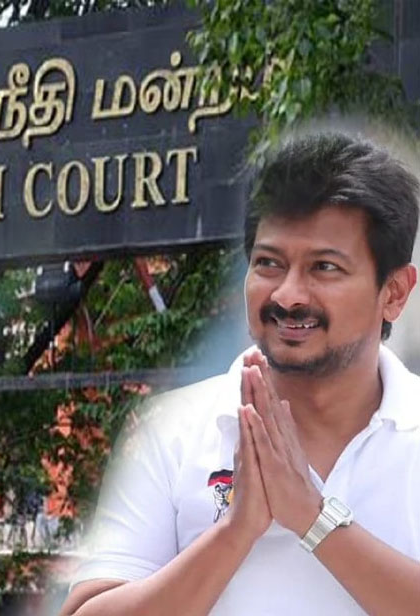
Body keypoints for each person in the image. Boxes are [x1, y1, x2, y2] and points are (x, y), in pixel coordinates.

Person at [59, 131, 420, 615]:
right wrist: (235, 532)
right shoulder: (171, 429)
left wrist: (313, 517)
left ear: (394, 293)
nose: (288, 295)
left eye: (324, 267)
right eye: (269, 263)